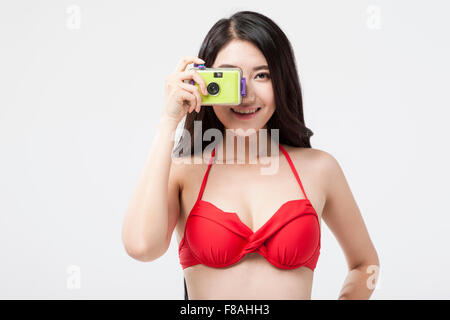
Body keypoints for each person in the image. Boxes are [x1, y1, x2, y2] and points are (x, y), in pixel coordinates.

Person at [122, 10, 380, 300]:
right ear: (204, 80)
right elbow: (141, 247)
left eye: (262, 75)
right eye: (231, 77)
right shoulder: (183, 171)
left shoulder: (320, 169)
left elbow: (366, 265)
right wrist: (168, 120)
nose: (246, 94)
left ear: (282, 81)